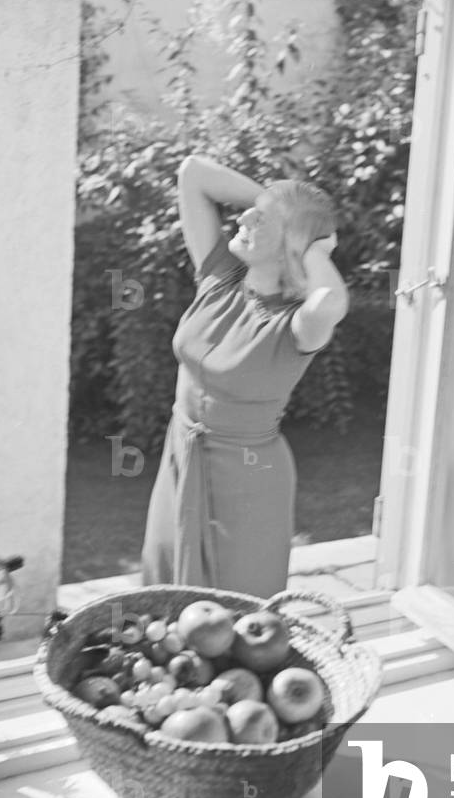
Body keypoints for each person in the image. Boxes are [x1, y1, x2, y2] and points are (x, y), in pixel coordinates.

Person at [140, 154, 349, 597]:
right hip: (181, 454)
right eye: (253, 209)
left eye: (265, 220)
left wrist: (312, 244)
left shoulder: (295, 326)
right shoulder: (220, 275)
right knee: (160, 592)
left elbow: (330, 301)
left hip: (248, 479)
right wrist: (275, 203)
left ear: (291, 246)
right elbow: (193, 173)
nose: (247, 216)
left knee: (234, 610)